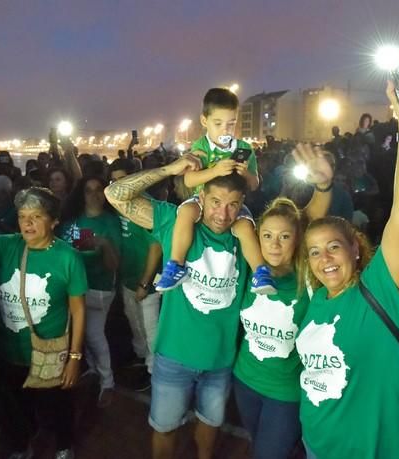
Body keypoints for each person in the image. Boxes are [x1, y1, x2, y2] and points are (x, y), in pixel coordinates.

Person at [104, 145, 332, 459]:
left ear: (242, 206)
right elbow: (116, 194)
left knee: (209, 431)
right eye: (214, 202)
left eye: (232, 205)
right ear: (200, 199)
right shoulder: (175, 222)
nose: (222, 214)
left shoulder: (250, 239)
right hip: (174, 357)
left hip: (222, 363)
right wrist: (170, 170)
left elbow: (298, 226)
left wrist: (323, 185)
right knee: (164, 429)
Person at [294, 61, 399, 459]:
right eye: (314, 251)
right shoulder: (316, 301)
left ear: (356, 248)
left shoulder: (381, 290)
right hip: (318, 446)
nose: (324, 258)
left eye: (334, 246)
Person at [0, 178, 86, 459]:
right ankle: (22, 446)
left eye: (36, 217)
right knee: (14, 407)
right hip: (9, 351)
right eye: (23, 217)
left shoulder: (68, 258)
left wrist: (74, 358)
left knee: (57, 406)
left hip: (49, 353)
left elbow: (78, 310)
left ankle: (63, 446)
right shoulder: (8, 245)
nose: (28, 224)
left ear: (54, 221)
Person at [233, 183, 331, 459]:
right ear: (258, 238)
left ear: (297, 240)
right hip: (244, 382)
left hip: (286, 393)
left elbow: (314, 217)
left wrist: (324, 185)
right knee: (258, 444)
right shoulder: (248, 269)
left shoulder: (308, 279)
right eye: (267, 235)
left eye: (284, 237)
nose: (274, 244)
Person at [154, 88, 276, 295]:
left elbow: (254, 184)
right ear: (204, 121)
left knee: (246, 226)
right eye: (218, 123)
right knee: (185, 213)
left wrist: (245, 173)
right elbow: (190, 179)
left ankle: (260, 272)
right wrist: (214, 170)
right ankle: (176, 265)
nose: (225, 130)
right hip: (202, 199)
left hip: (234, 203)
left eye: (231, 123)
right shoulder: (201, 146)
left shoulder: (244, 148)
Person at [58, 176, 121, 407]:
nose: (94, 195)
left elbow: (114, 265)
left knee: (94, 335)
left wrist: (104, 244)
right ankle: (94, 370)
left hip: (99, 288)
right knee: (82, 334)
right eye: (88, 191)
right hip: (72, 289)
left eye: (98, 190)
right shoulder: (70, 222)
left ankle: (108, 383)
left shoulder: (110, 222)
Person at [110, 162, 162, 389]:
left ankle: (155, 372)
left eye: (124, 179)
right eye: (114, 181)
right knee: (135, 323)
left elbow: (155, 247)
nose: (119, 185)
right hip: (127, 278)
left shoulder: (146, 205)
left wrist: (145, 282)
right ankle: (143, 359)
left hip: (146, 282)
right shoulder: (118, 204)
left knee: (151, 329)